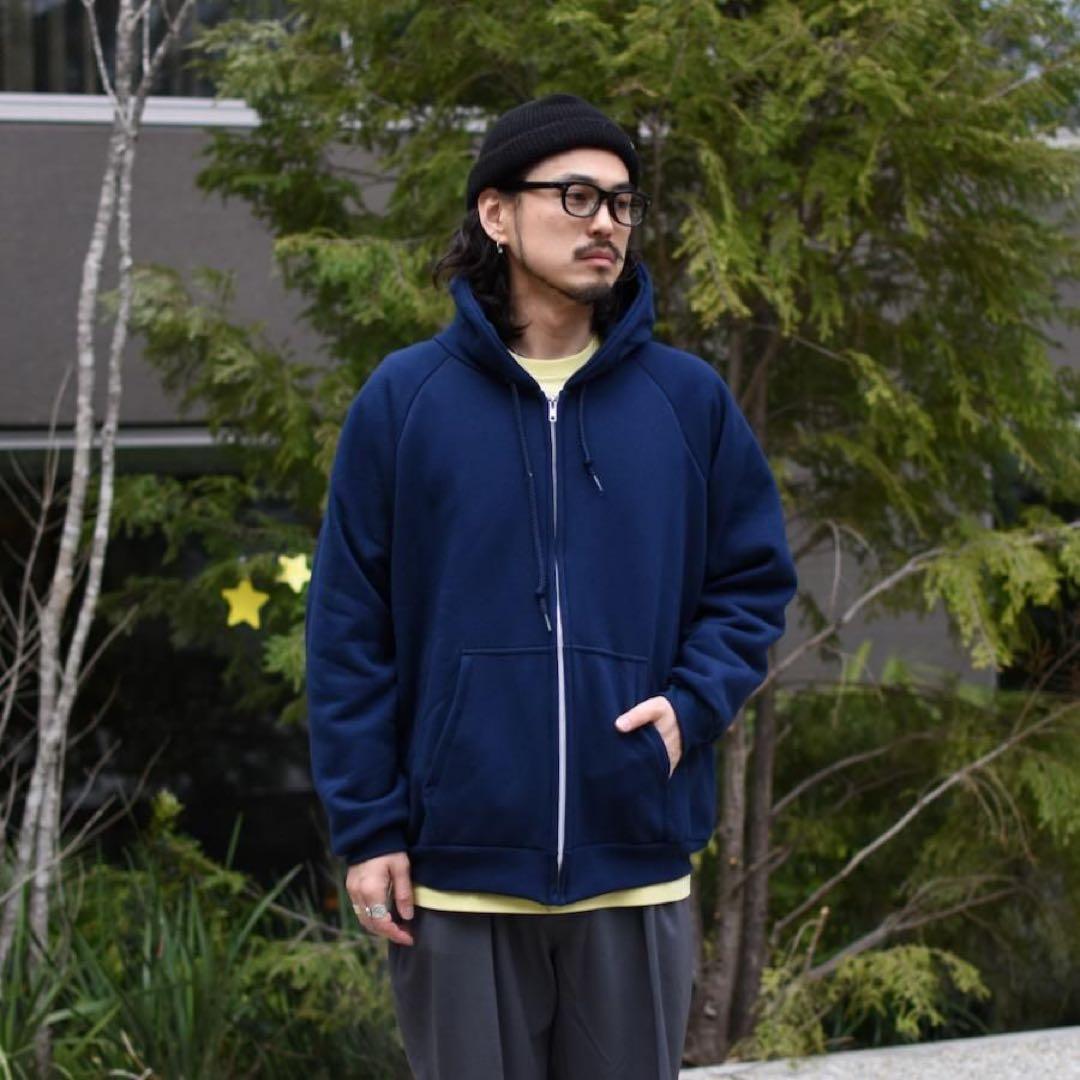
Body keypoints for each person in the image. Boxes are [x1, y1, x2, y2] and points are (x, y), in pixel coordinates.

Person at [305, 92, 798, 1080]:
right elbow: (349, 629)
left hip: (634, 863)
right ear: (497, 214)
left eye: (621, 202)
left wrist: (690, 706)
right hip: (457, 878)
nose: (605, 222)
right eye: (575, 196)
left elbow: (752, 581)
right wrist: (369, 828)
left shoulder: (686, 402)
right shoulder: (405, 402)